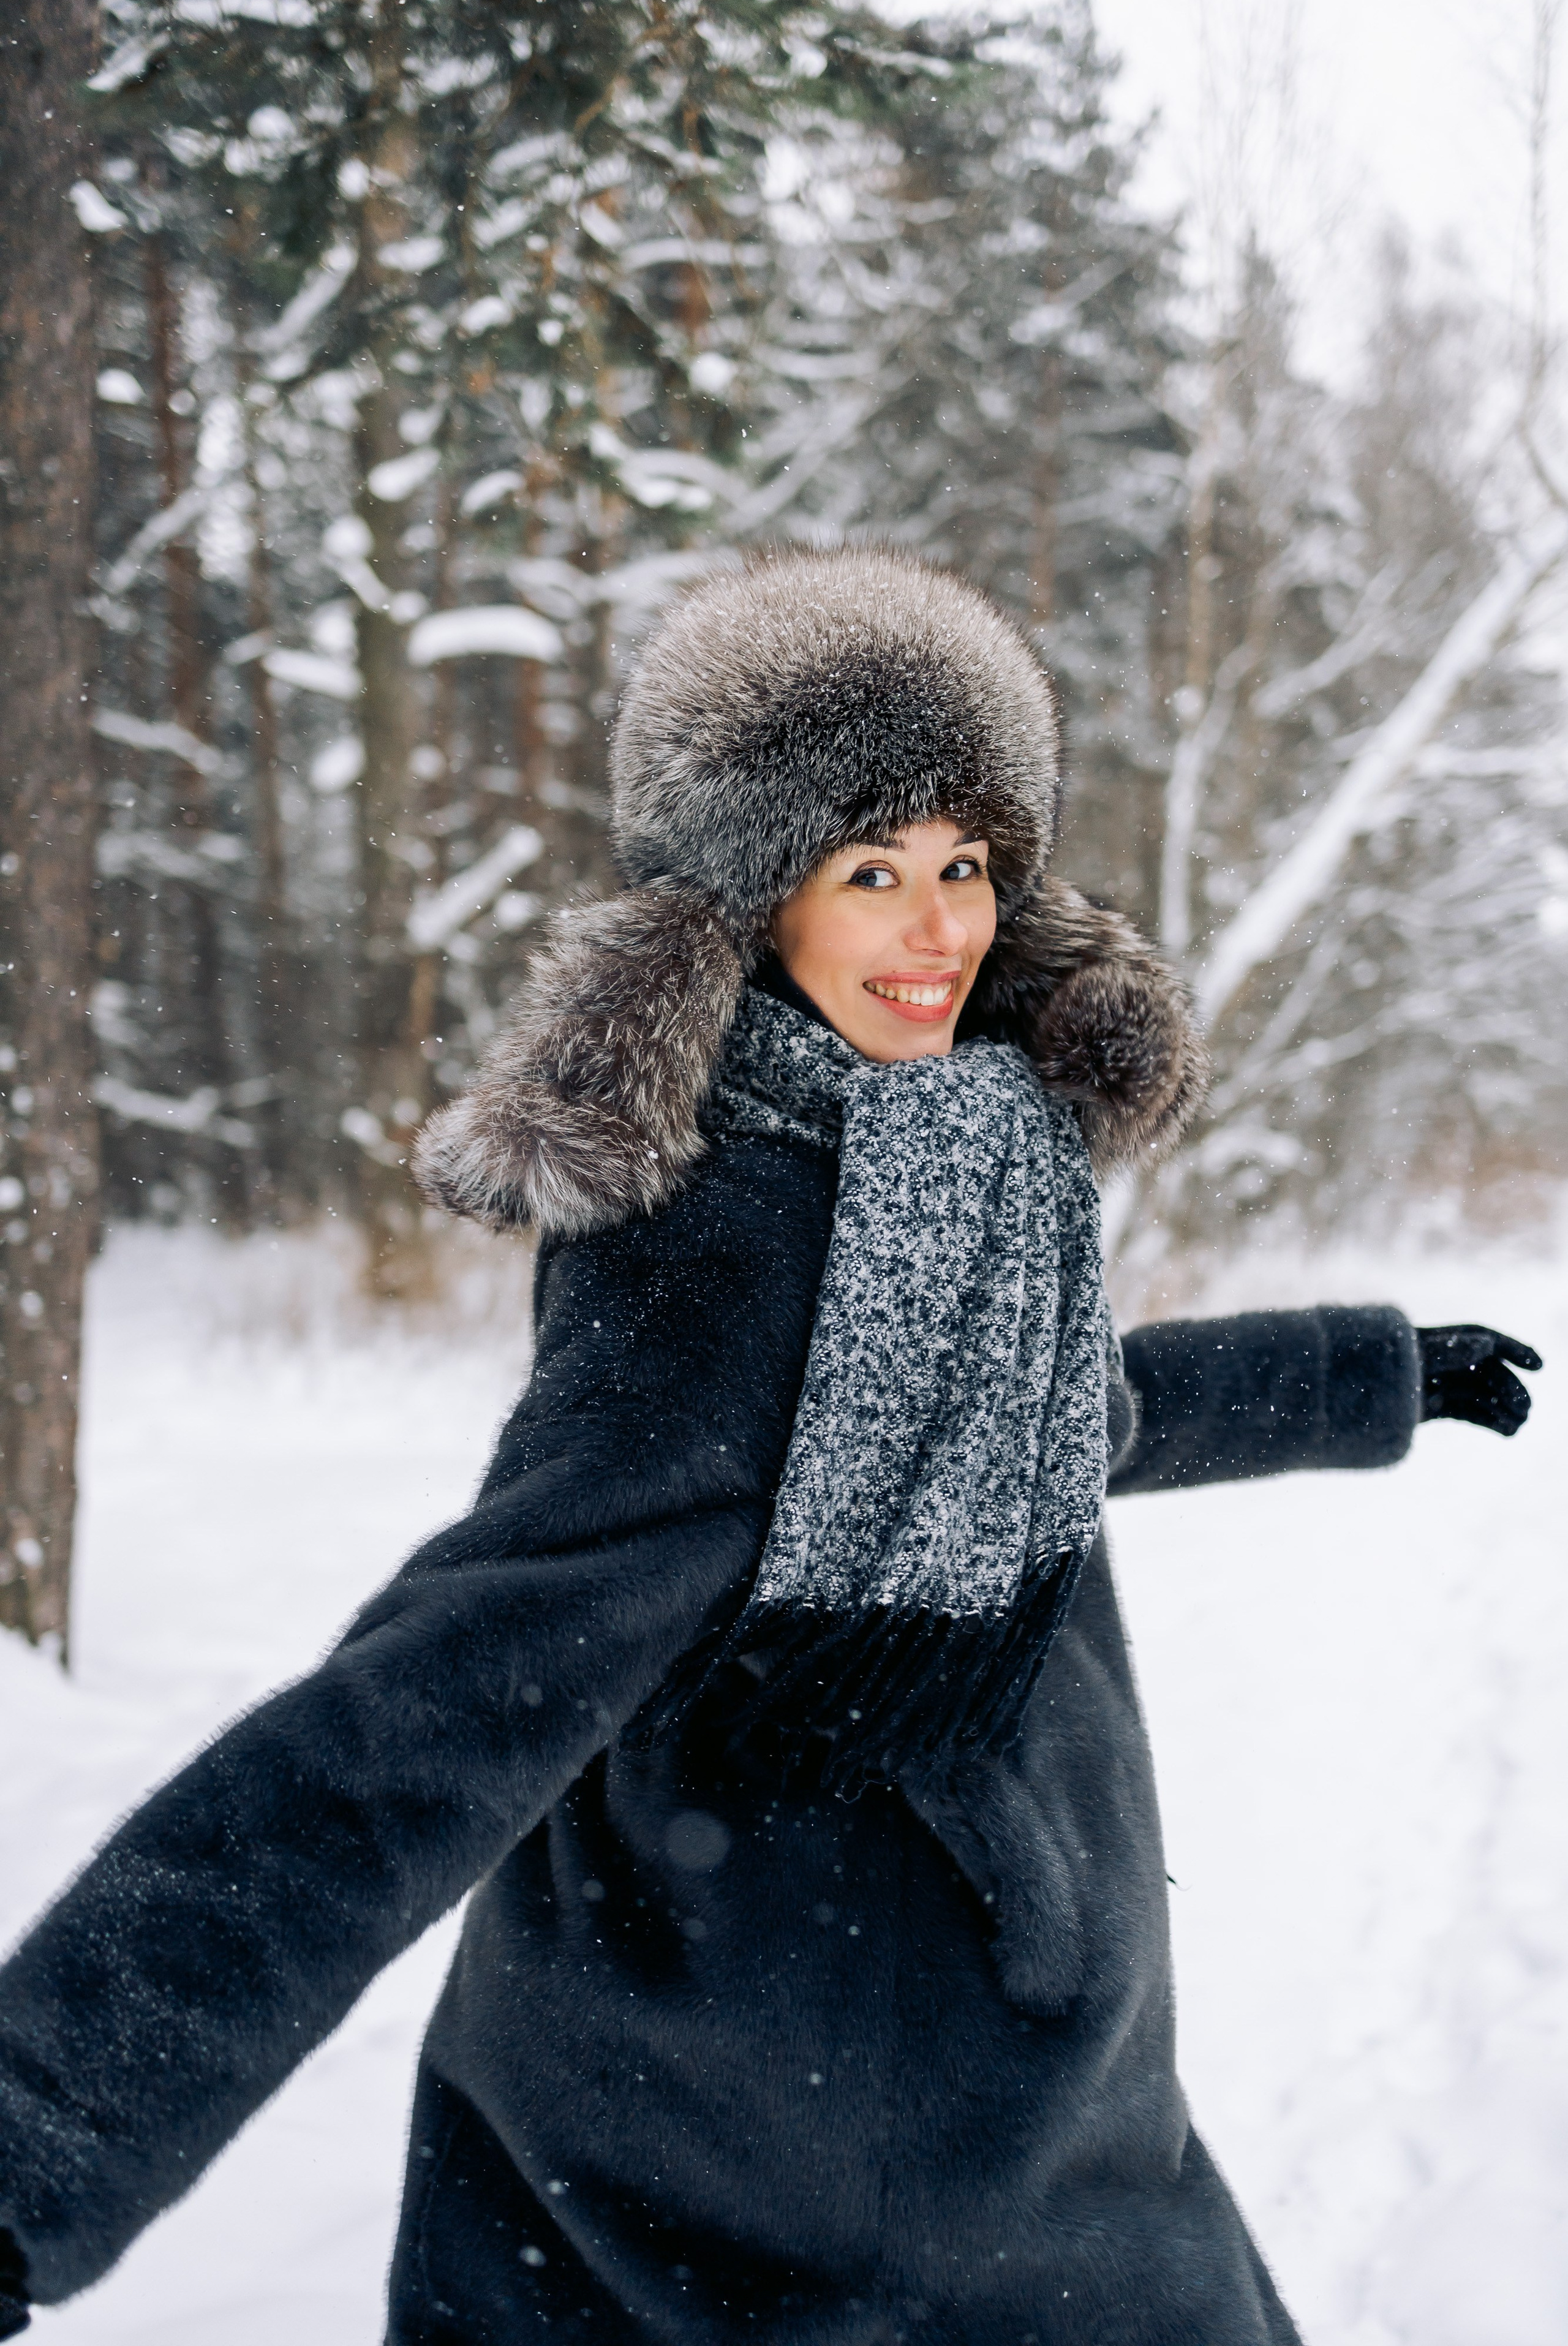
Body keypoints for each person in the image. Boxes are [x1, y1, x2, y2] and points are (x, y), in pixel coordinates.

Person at [0, 548, 1540, 2345]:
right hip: (805, 2140)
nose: (939, 927)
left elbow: (1069, 1411)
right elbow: (422, 1720)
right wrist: (43, 2144)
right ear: (750, 899)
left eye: (966, 865)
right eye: (870, 870)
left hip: (951, 2077)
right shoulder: (724, 1238)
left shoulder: (951, 1164)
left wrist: (1373, 1378)